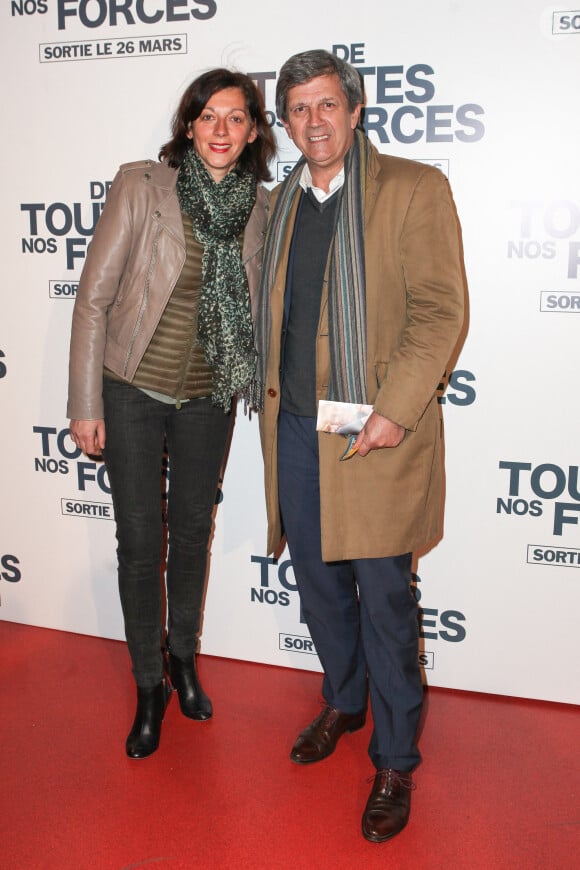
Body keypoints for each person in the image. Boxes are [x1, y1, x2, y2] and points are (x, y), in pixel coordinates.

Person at [250, 50, 465, 842]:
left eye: (327, 104)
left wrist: (397, 410)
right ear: (287, 120)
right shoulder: (275, 206)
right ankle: (343, 701)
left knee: (384, 599)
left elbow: (440, 312)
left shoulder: (412, 189)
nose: (314, 121)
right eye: (298, 108)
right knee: (318, 587)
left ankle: (396, 756)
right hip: (299, 433)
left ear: (356, 107)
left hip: (375, 432)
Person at [67, 69, 275, 759]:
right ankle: (148, 683)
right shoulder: (143, 187)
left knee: (191, 533)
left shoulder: (264, 208)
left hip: (210, 395)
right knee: (139, 543)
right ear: (188, 126)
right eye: (208, 116)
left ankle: (183, 657)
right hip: (130, 389)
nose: (221, 129)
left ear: (252, 131)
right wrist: (83, 403)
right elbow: (94, 299)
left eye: (236, 117)